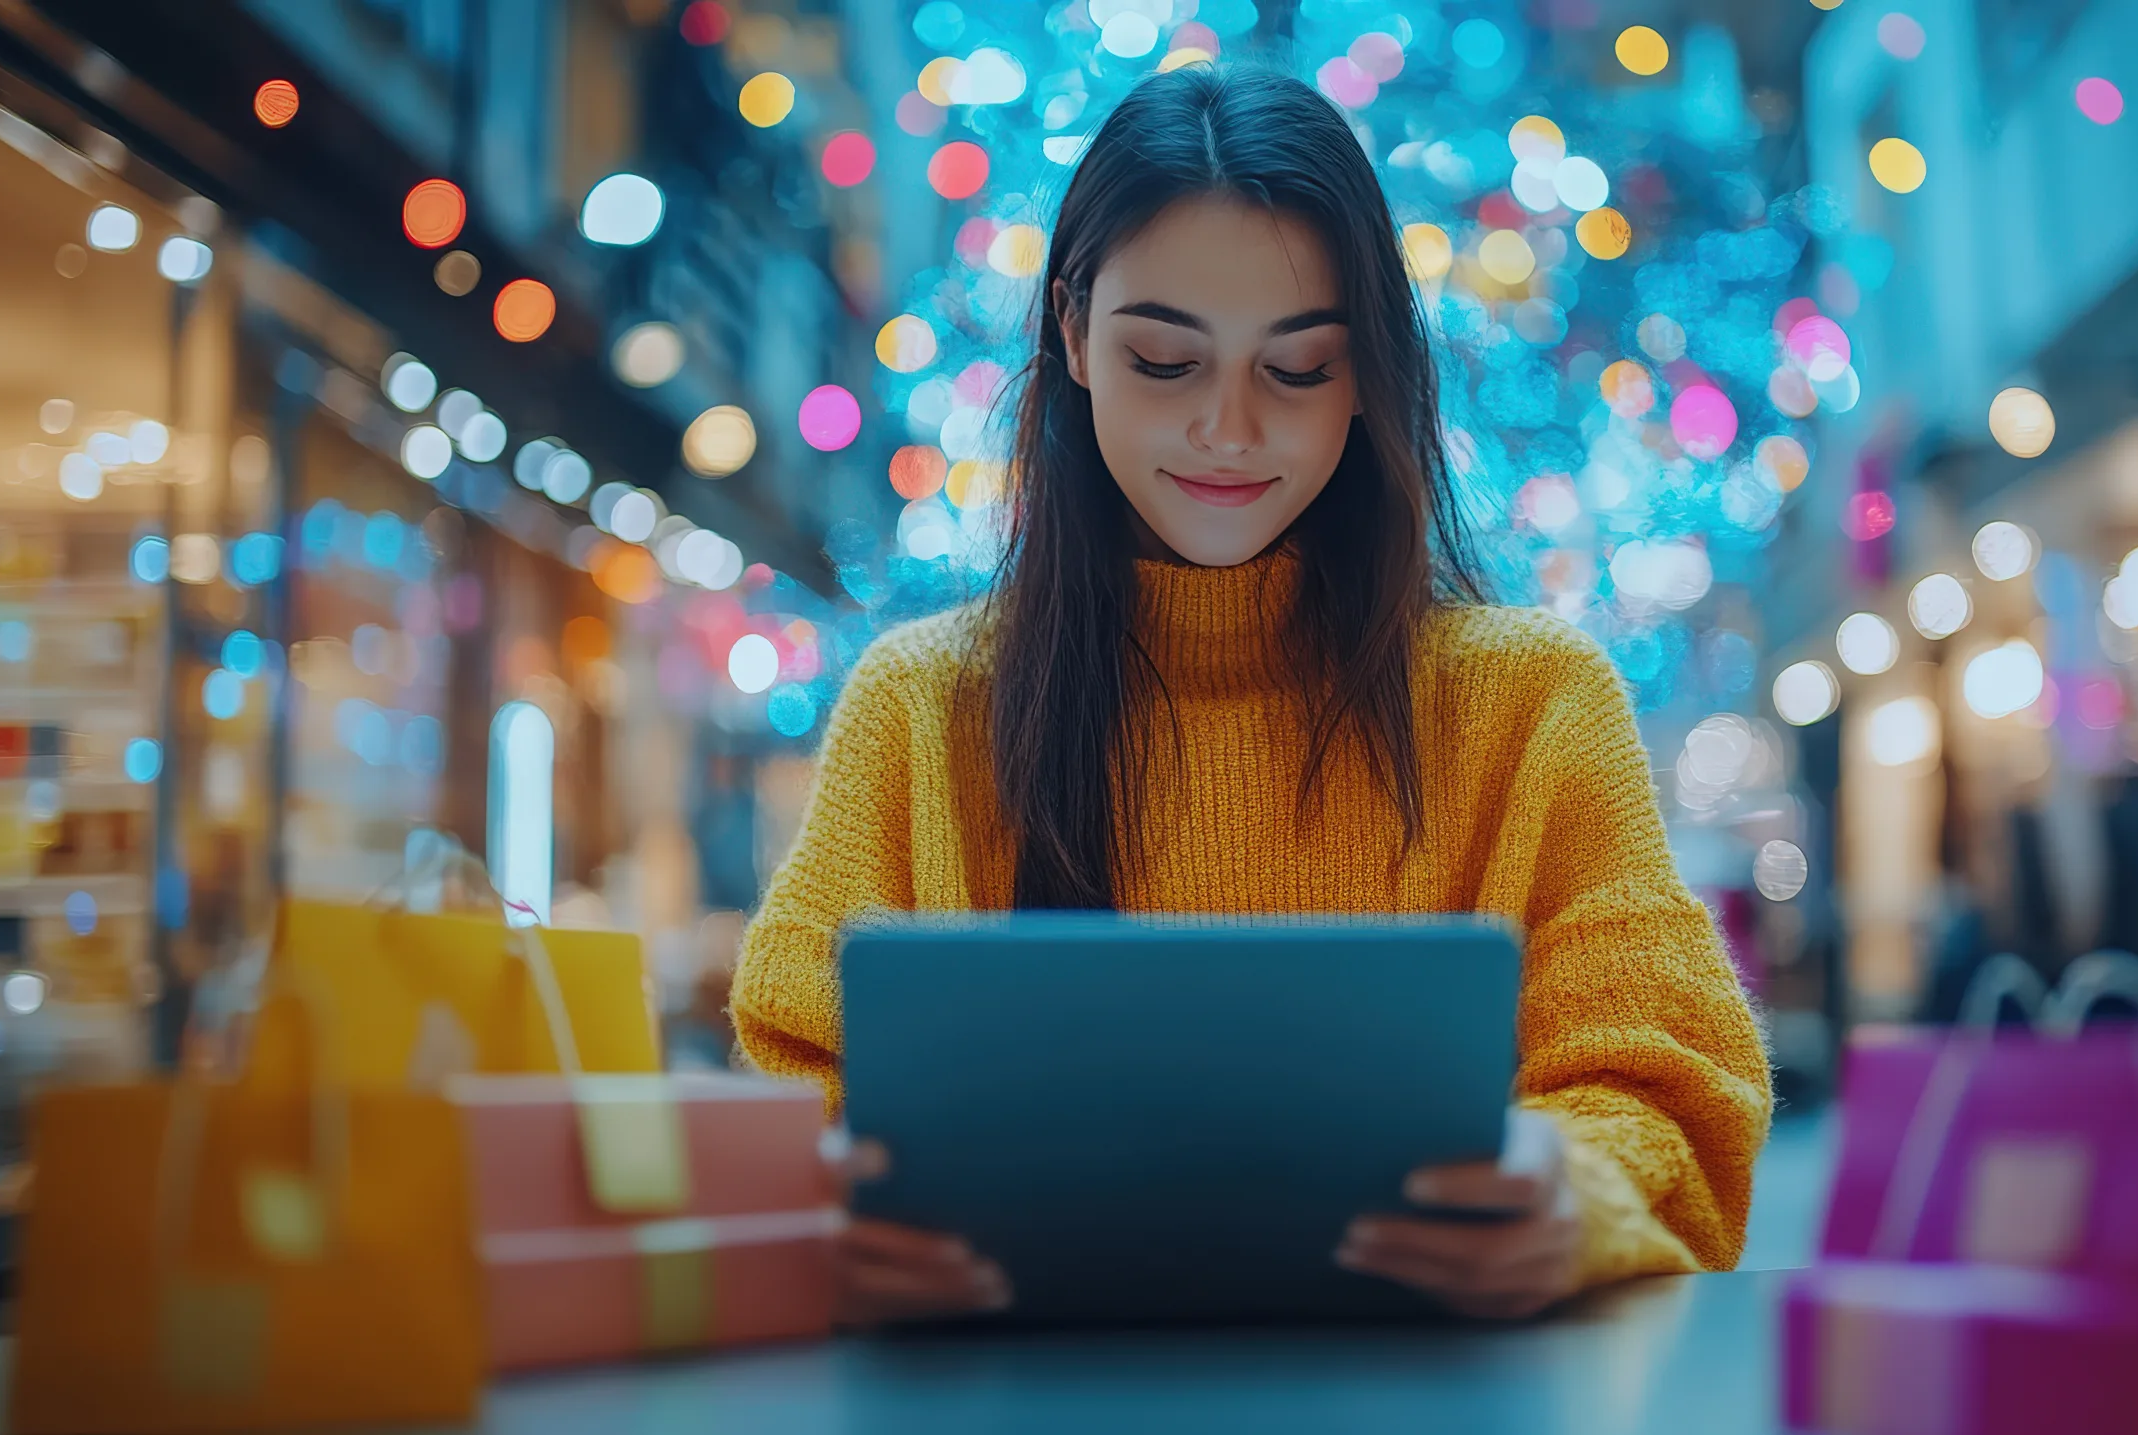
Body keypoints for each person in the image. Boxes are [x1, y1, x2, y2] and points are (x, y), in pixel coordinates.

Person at [732, 64, 1770, 1325]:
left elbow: (1667, 1089)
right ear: (1069, 332)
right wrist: (818, 1212)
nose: (1227, 431)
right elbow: (791, 1092)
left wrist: (1580, 1188)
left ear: (1371, 370)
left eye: (1298, 370)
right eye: (1164, 360)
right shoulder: (921, 710)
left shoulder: (1533, 705)